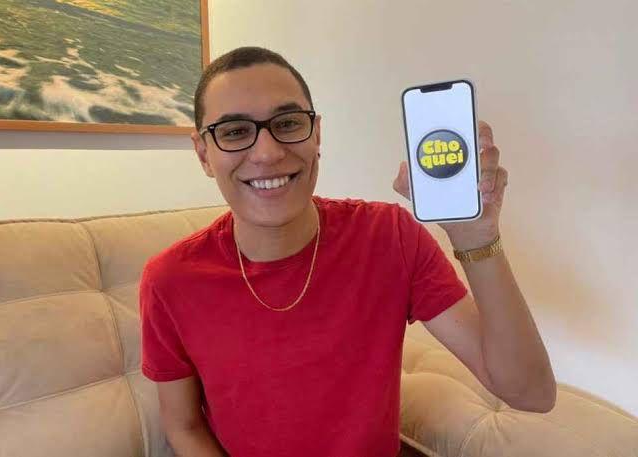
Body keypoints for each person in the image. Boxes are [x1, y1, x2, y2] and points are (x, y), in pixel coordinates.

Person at [139, 46, 556, 457]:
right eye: (234, 132)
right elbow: (183, 425)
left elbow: (532, 393)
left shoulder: (389, 237)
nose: (267, 152)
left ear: (316, 135)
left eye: (288, 123)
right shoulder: (169, 281)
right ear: (203, 154)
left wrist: (476, 238)